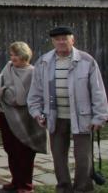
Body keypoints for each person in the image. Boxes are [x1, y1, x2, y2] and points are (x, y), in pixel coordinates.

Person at [28, 26, 108, 193]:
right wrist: (36, 113)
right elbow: (35, 92)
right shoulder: (43, 62)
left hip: (82, 118)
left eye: (65, 38)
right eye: (58, 39)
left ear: (73, 40)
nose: (61, 42)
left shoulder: (87, 61)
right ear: (53, 42)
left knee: (83, 158)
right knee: (58, 157)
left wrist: (99, 117)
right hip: (55, 118)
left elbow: (98, 91)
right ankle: (64, 188)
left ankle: (83, 188)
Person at [0, 42, 47, 193]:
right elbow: (0, 83)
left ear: (24, 56)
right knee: (10, 149)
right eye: (11, 54)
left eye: (16, 55)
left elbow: (21, 98)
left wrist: (4, 91)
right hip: (6, 115)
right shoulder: (8, 67)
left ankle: (26, 185)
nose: (13, 58)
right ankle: (15, 181)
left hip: (25, 117)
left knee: (24, 151)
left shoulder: (33, 72)